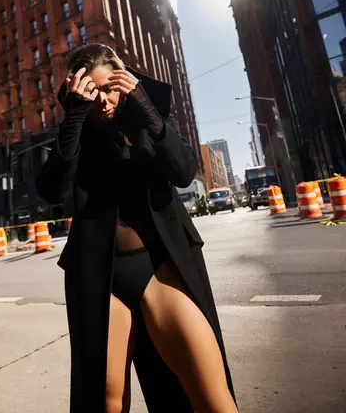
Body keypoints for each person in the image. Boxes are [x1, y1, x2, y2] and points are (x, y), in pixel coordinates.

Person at [36, 43, 237, 413]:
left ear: (124, 82)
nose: (104, 101)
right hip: (102, 280)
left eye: (110, 88)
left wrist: (146, 107)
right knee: (107, 399)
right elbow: (51, 190)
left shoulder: (145, 119)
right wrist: (74, 118)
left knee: (212, 395)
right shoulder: (76, 135)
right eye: (93, 92)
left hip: (160, 267)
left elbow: (182, 171)